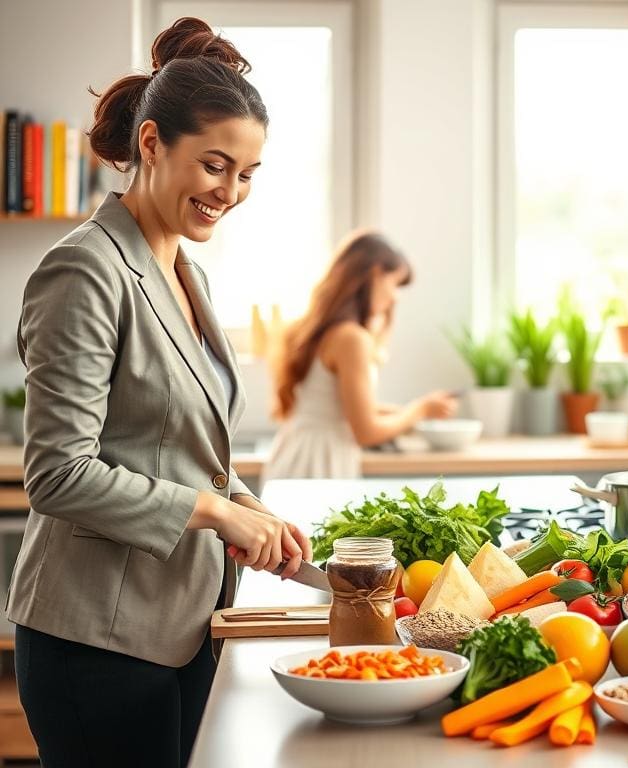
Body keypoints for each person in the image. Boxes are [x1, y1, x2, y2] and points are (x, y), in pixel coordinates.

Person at [6, 18, 311, 767]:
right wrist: (214, 510)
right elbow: (57, 474)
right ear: (150, 145)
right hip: (95, 643)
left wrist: (247, 504)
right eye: (215, 166)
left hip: (181, 623)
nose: (230, 192)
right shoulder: (85, 270)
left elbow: (178, 448)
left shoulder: (185, 274)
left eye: (246, 174)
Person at [264, 231, 457, 480]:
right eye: (395, 283)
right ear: (375, 274)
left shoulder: (314, 330)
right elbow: (366, 432)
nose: (395, 297)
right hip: (320, 464)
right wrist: (419, 410)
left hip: (293, 456)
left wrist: (402, 411)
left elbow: (335, 405)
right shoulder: (351, 338)